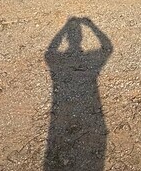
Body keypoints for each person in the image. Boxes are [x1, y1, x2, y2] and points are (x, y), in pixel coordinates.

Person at [44, 17, 113, 171]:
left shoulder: (55, 59)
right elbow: (108, 47)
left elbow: (50, 51)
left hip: (59, 116)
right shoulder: (93, 58)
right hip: (94, 113)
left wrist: (64, 27)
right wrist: (92, 26)